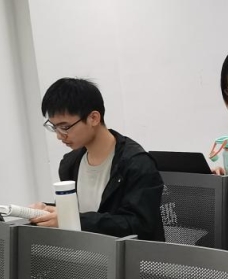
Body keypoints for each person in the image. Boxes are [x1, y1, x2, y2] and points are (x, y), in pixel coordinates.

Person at [31, 78, 165, 241]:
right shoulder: (70, 163)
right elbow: (78, 212)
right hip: (84, 251)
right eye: (54, 127)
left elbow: (140, 227)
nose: (60, 136)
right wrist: (48, 212)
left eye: (65, 127)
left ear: (93, 118)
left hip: (126, 255)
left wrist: (74, 219)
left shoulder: (137, 164)